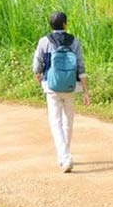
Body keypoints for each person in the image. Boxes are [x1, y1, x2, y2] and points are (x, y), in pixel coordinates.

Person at [32, 11, 90, 173]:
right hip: (71, 86)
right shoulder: (75, 41)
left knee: (55, 121)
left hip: (51, 86)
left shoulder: (44, 41)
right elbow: (81, 67)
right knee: (68, 122)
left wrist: (38, 73)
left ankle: (65, 157)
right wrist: (86, 91)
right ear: (65, 24)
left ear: (51, 25)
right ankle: (65, 155)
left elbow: (37, 64)